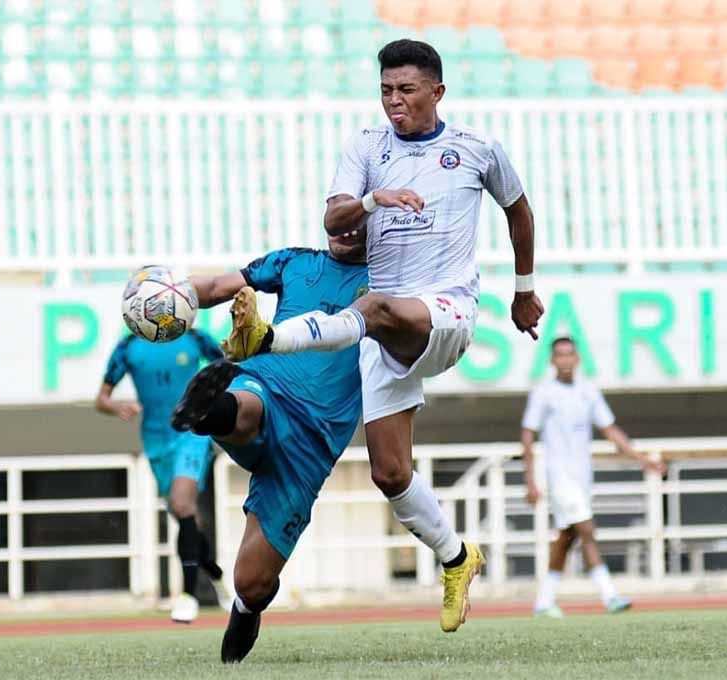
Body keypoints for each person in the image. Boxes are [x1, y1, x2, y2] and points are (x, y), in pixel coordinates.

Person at [219, 39, 544, 632]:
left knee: (378, 307)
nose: (395, 102)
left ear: (437, 93)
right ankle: (457, 557)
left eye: (407, 91)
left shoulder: (475, 149)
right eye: (386, 91)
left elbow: (518, 212)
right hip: (382, 329)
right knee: (390, 472)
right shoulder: (367, 147)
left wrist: (523, 290)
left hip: (444, 310)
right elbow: (335, 219)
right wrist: (375, 197)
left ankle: (265, 342)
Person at [169, 231, 368, 663]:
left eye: (357, 220)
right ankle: (208, 410)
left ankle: (245, 609)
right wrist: (171, 294)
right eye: (338, 217)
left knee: (252, 582)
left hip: (315, 438)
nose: (345, 229)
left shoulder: (391, 281)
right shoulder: (294, 262)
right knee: (244, 410)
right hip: (268, 385)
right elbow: (219, 287)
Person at [521, 337, 667, 617]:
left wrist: (643, 460)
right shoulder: (543, 393)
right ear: (552, 360)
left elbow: (610, 430)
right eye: (559, 355)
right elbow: (528, 433)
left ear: (577, 359)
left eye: (569, 355)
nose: (565, 360)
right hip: (559, 475)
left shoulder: (588, 391)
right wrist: (530, 480)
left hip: (582, 476)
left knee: (567, 536)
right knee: (587, 529)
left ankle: (544, 601)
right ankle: (609, 595)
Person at [98, 317, 231, 622]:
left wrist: (217, 401)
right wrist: (116, 406)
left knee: (183, 504)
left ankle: (187, 596)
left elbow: (229, 368)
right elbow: (101, 397)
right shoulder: (127, 347)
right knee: (186, 519)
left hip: (191, 433)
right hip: (156, 440)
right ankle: (216, 574)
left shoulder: (196, 339)